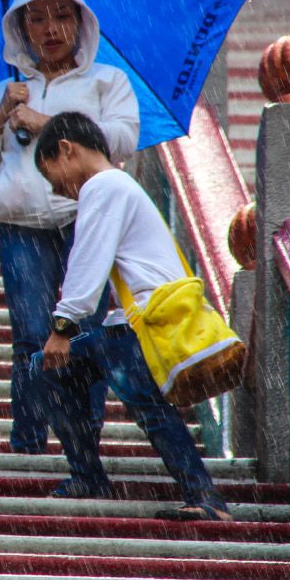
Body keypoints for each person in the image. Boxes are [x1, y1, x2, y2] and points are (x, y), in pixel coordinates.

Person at [0, 0, 138, 460]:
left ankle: (83, 450)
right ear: (20, 30)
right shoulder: (4, 93)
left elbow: (123, 138)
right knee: (31, 340)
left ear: (82, 23)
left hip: (88, 224)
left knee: (84, 337)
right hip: (21, 231)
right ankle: (29, 443)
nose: (51, 29)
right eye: (36, 19)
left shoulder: (108, 82)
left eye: (62, 15)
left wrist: (51, 122)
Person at [35, 111, 232, 521]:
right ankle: (97, 476)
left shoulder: (103, 187)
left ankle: (205, 498)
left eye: (56, 178)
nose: (64, 192)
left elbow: (86, 263)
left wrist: (62, 326)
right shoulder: (120, 186)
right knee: (61, 374)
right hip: (131, 324)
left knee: (149, 410)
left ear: (67, 150)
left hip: (139, 326)